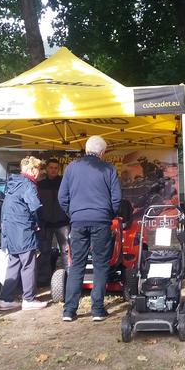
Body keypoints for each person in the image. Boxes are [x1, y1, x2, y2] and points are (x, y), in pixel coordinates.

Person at [58, 136, 122, 322]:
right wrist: (108, 215)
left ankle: (69, 311)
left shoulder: (71, 168)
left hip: (77, 222)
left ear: (86, 150)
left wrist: (74, 214)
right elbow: (116, 198)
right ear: (102, 153)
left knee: (76, 264)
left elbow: (62, 197)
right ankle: (97, 310)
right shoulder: (108, 169)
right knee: (101, 265)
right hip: (101, 221)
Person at [0, 156, 48, 311]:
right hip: (23, 229)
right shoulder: (28, 185)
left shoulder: (14, 183)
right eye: (38, 170)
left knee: (13, 263)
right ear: (32, 170)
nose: (39, 173)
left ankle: (6, 299)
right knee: (28, 264)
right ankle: (29, 299)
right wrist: (38, 224)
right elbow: (34, 207)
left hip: (10, 229)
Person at [37, 158, 70, 285]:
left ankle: (68, 277)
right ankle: (44, 279)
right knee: (45, 252)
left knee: (66, 251)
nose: (53, 170)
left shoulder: (64, 183)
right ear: (46, 169)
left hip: (63, 223)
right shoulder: (40, 184)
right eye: (51, 167)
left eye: (56, 168)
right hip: (46, 223)